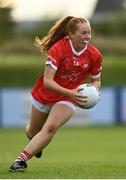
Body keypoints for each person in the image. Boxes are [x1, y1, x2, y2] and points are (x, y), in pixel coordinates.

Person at [9, 16, 102, 172]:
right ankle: (35, 142)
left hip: (68, 98)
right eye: (83, 33)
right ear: (71, 34)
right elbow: (48, 81)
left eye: (89, 33)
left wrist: (94, 91)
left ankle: (20, 161)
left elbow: (96, 80)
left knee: (51, 127)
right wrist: (70, 92)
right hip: (46, 92)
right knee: (33, 131)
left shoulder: (95, 55)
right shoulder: (59, 48)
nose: (87, 37)